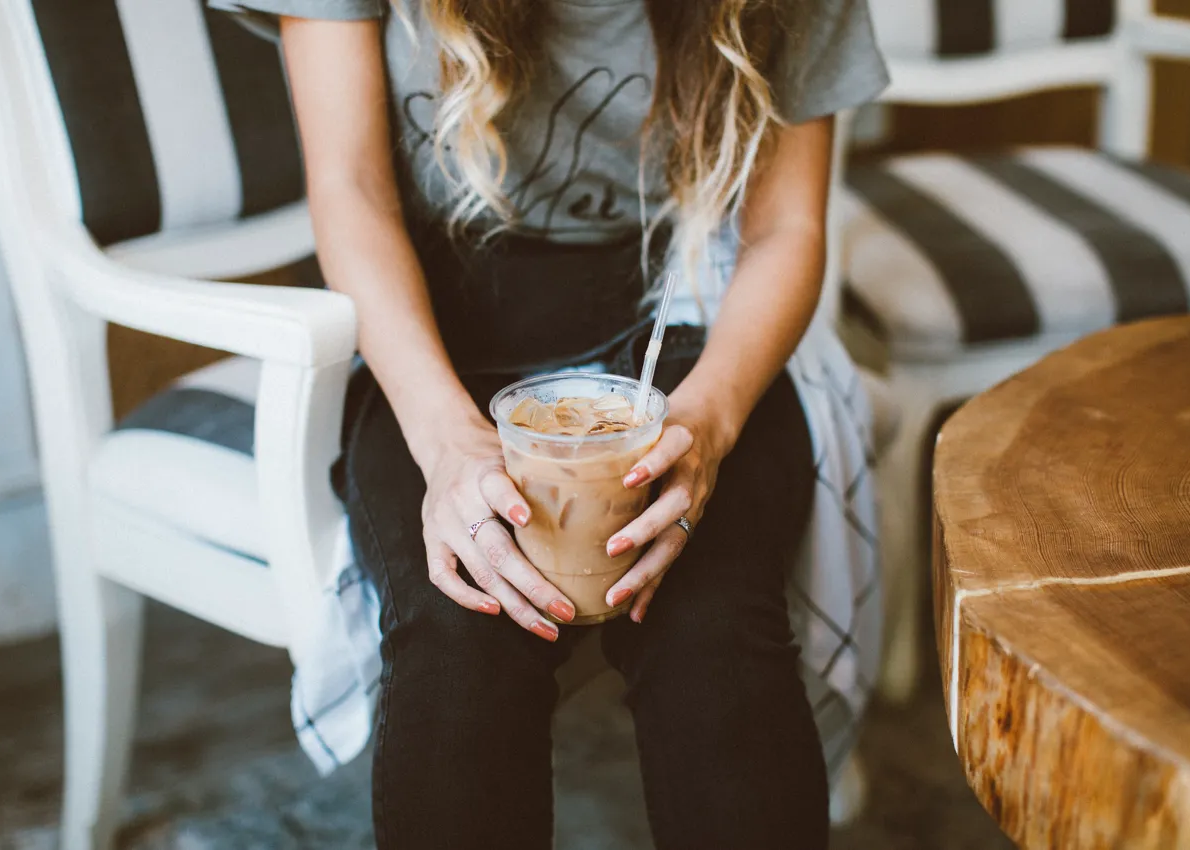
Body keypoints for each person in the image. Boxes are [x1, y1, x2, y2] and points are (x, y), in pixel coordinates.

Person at [219, 1, 887, 846]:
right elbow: (349, 191)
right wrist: (447, 440)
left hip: (681, 302)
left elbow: (786, 226)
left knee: (707, 613)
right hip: (427, 328)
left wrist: (707, 424)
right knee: (461, 621)